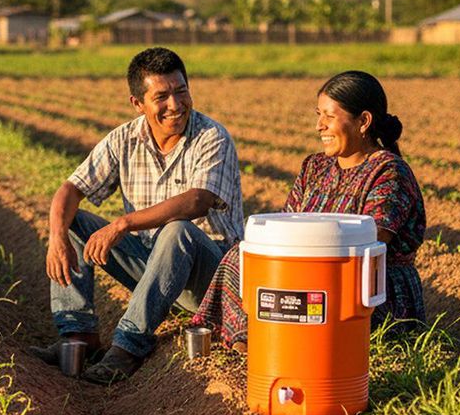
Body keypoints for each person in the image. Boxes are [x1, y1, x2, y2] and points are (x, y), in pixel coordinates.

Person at [30, 47, 244, 383]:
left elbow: (197, 202)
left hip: (211, 276)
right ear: (137, 103)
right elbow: (70, 191)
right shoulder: (123, 139)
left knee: (178, 231)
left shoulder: (211, 136)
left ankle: (128, 348)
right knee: (73, 222)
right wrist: (57, 239)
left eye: (181, 91)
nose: (175, 105)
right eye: (162, 96)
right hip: (152, 267)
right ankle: (78, 338)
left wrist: (123, 223)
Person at [191, 70, 426, 351]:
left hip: (362, 286)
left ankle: (278, 342)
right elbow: (287, 224)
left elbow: (370, 242)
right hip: (308, 272)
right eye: (318, 115)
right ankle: (249, 342)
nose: (319, 125)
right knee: (238, 260)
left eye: (329, 116)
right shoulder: (315, 167)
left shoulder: (388, 172)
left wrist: (306, 258)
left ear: (363, 121)